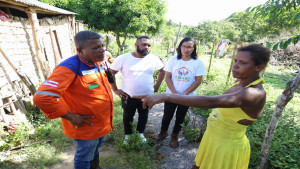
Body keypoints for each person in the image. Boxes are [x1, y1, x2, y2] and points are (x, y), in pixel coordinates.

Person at [138, 44, 270, 169]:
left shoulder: (253, 93)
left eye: (243, 63)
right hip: (212, 139)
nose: (235, 66)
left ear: (259, 66)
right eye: (235, 61)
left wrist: (165, 96)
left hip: (226, 147)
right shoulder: (240, 82)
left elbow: (209, 102)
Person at [33, 30, 113, 169]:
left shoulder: (98, 61)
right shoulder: (69, 67)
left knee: (95, 149)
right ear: (80, 50)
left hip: (102, 122)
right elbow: (42, 97)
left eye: (102, 46)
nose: (102, 50)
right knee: (84, 156)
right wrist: (70, 116)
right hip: (86, 126)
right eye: (96, 48)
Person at [110, 35, 165, 143]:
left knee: (144, 115)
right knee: (127, 116)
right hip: (128, 96)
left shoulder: (153, 58)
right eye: (144, 44)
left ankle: (140, 133)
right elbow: (111, 73)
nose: (147, 47)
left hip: (147, 96)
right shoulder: (123, 58)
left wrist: (157, 86)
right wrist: (115, 90)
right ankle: (128, 135)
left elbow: (162, 71)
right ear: (136, 45)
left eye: (149, 45)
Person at [156, 37, 206, 148]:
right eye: (184, 46)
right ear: (180, 47)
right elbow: (167, 78)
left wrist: (184, 94)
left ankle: (174, 136)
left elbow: (198, 81)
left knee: (180, 117)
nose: (186, 49)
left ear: (193, 48)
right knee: (167, 116)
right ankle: (163, 132)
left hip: (187, 97)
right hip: (171, 95)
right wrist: (174, 93)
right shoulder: (173, 60)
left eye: (189, 47)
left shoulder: (198, 62)